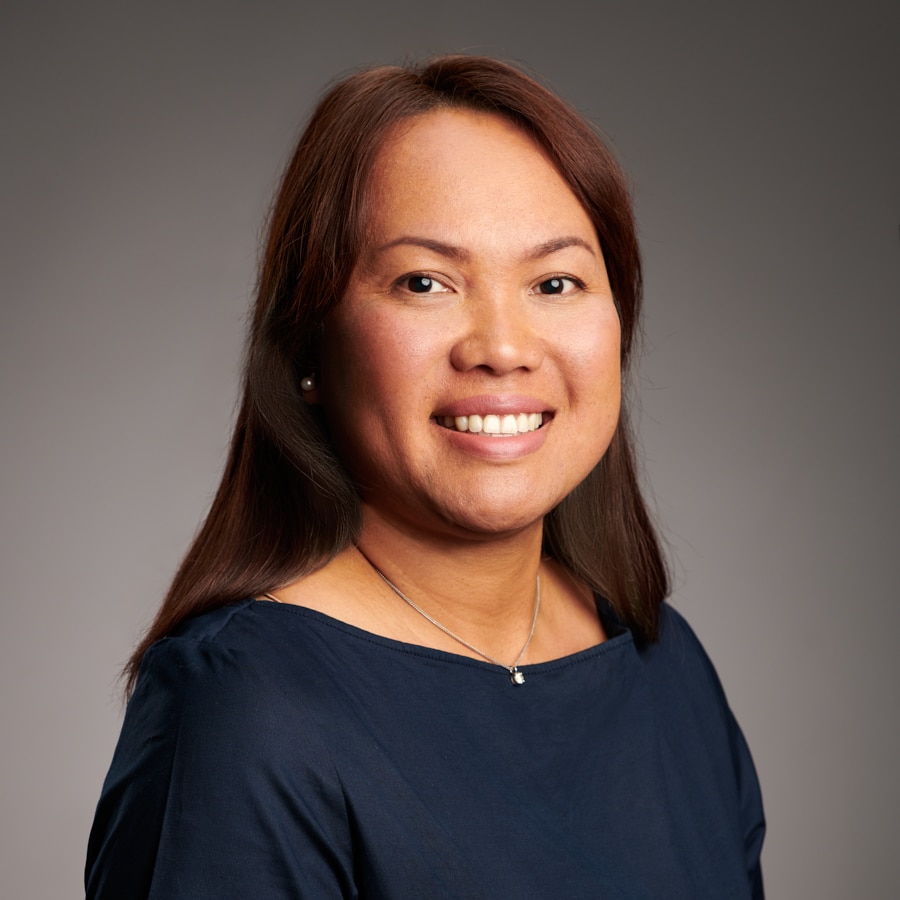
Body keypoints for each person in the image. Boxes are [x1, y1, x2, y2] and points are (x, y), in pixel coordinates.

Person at [85, 55, 765, 899]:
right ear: (310, 347)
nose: (502, 347)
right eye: (425, 282)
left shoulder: (665, 666)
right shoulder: (244, 709)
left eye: (555, 282)